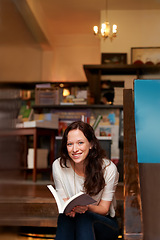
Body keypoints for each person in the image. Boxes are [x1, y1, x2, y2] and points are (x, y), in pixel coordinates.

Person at [52, 121, 119, 240]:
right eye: (70, 144)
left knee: (84, 217)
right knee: (64, 218)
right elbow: (64, 203)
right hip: (74, 220)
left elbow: (104, 209)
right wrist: (71, 209)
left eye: (80, 143)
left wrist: (86, 207)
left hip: (104, 223)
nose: (75, 149)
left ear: (91, 144)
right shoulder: (58, 165)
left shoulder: (108, 169)